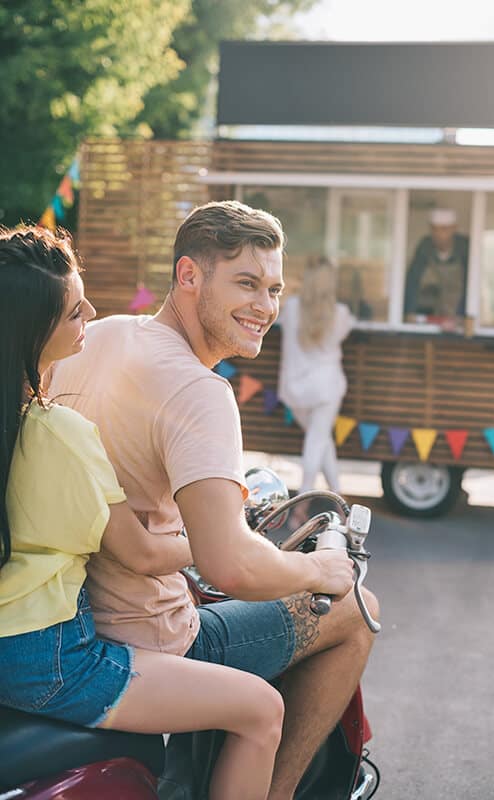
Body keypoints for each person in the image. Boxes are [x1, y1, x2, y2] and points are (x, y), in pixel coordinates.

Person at [49, 201, 378, 800]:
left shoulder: (98, 335)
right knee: (357, 608)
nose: (265, 307)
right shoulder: (201, 391)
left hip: (67, 619)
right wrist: (319, 568)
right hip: (149, 635)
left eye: (275, 289)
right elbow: (231, 565)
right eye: (247, 284)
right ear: (189, 276)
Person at [0, 224, 303, 800]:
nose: (92, 312)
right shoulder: (60, 434)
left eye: (274, 289)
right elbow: (143, 554)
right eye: (73, 313)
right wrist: (218, 534)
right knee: (262, 708)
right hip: (55, 659)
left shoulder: (20, 419)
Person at [277, 257, 357, 495]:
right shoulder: (341, 314)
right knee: (318, 441)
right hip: (327, 387)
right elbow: (350, 325)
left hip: (295, 389)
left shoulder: (291, 308)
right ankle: (304, 496)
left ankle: (337, 497)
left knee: (321, 441)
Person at [404, 207, 469, 319]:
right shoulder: (426, 245)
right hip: (439, 301)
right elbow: (413, 280)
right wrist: (409, 311)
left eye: (444, 229)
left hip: (461, 303)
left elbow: (469, 284)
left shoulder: (464, 246)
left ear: (454, 228)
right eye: (435, 229)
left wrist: (461, 315)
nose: (439, 234)